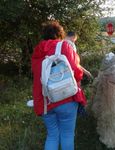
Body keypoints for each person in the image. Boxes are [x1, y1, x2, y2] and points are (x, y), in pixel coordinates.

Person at [31, 21, 87, 150]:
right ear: (60, 34)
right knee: (67, 135)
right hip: (66, 97)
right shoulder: (65, 46)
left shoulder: (37, 50)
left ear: (44, 34)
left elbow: (36, 74)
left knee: (52, 135)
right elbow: (77, 71)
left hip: (45, 100)